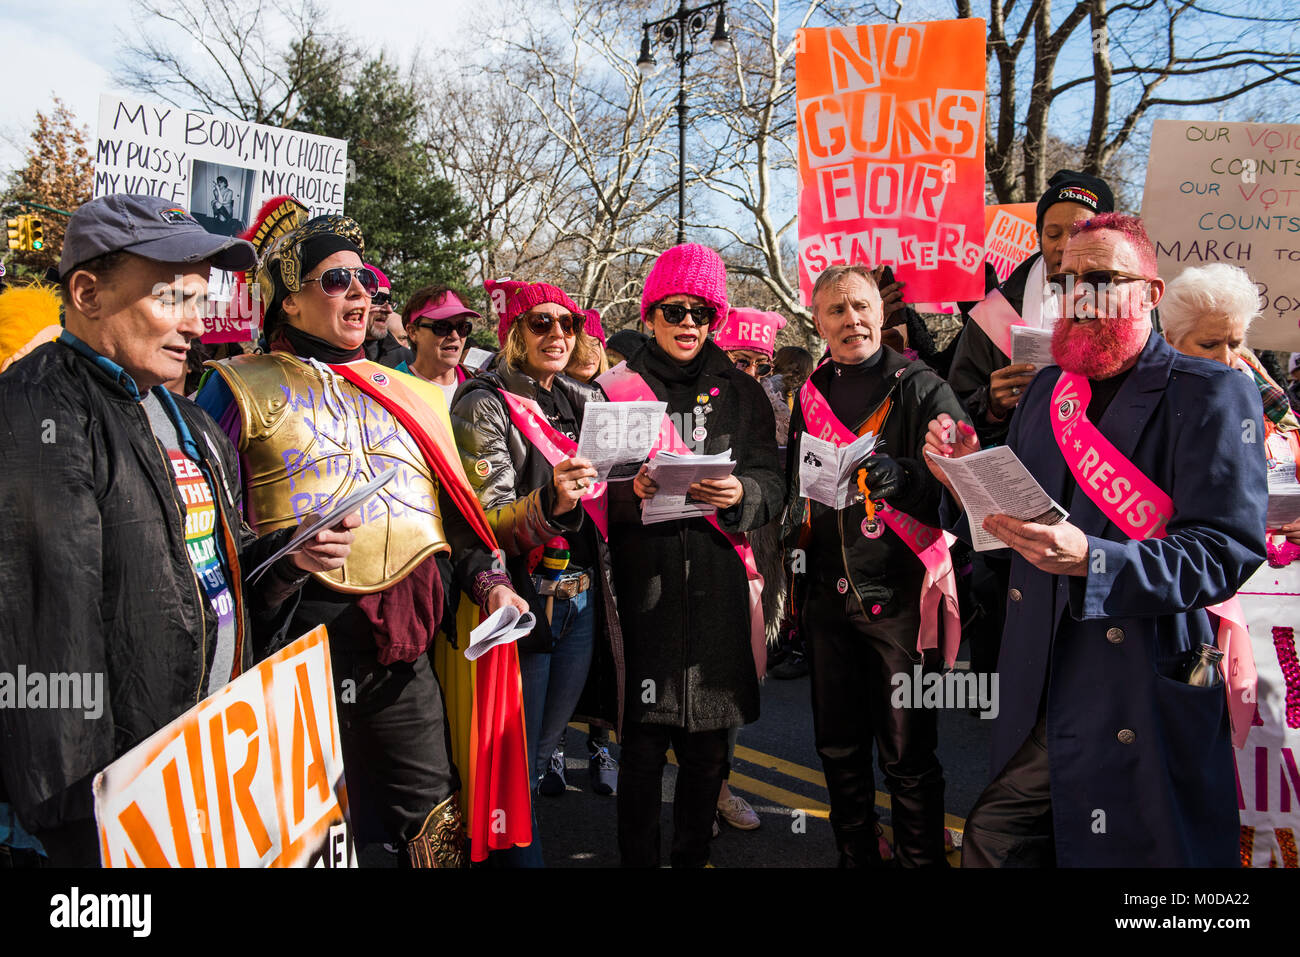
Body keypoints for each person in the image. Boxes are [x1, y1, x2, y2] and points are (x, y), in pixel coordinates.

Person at [0, 194, 358, 866]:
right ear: (87, 292)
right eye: (172, 297)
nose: (198, 322)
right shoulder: (36, 412)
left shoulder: (186, 419)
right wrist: (88, 831)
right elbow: (50, 646)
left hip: (202, 771)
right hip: (119, 811)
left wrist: (286, 561)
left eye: (201, 297)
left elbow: (211, 576)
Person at [925, 213, 1267, 866]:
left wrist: (1098, 559)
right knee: (1003, 841)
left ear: (1151, 294)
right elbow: (1010, 522)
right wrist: (966, 469)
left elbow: (1226, 550)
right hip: (1043, 672)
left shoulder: (1212, 391)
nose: (1080, 293)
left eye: (1102, 279)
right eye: (1067, 279)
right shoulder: (1049, 389)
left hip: (1137, 671)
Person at [196, 204, 532, 867]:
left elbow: (455, 518)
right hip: (295, 651)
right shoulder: (235, 387)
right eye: (335, 280)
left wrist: (490, 585)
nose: (360, 292)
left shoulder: (412, 394)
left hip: (399, 657)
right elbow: (205, 533)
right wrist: (282, 558)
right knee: (306, 832)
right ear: (288, 303)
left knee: (432, 823)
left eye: (365, 280)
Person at [600, 243, 783, 867]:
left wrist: (743, 493)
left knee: (709, 756)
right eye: (674, 310)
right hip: (643, 591)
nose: (688, 324)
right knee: (643, 754)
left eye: (702, 313)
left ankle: (691, 857)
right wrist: (632, 491)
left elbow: (773, 481)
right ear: (650, 314)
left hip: (716, 593)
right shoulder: (616, 389)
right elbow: (589, 488)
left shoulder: (742, 393)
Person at [782, 264, 967, 868]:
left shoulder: (922, 386)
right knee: (836, 746)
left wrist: (909, 477)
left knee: (908, 755)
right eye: (836, 311)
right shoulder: (809, 392)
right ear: (818, 322)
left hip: (902, 600)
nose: (851, 320)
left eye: (860, 307)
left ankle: (920, 861)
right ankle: (856, 854)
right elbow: (793, 489)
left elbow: (964, 481)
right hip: (827, 599)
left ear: (881, 314)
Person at [451, 280, 623, 851]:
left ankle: (516, 843)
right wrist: (553, 501)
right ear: (512, 333)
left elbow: (616, 489)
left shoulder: (585, 400)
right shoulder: (484, 401)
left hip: (582, 597)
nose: (557, 334)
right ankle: (504, 853)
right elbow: (488, 518)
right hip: (521, 602)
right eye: (540, 323)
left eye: (567, 324)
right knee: (511, 762)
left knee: (544, 750)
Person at [946, 170, 1116, 683]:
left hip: (1101, 496)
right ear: (1039, 235)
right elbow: (955, 406)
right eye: (1053, 232)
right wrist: (991, 403)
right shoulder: (996, 312)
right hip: (1016, 495)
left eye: (1081, 229)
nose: (1065, 245)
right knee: (1012, 634)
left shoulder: (1126, 301)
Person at [1161, 263, 1300, 546]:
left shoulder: (1263, 390)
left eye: (1235, 343)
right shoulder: (1149, 401)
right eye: (1209, 345)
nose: (1227, 359)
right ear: (1171, 340)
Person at [402, 284, 480, 405]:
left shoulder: (479, 389)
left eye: (462, 327)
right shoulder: (393, 388)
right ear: (413, 332)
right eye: (442, 327)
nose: (455, 336)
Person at [362, 263, 413, 368]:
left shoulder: (408, 360)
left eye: (389, 301)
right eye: (378, 299)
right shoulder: (330, 356)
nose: (389, 310)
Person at [565, 308, 610, 382]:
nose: (588, 353)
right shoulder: (543, 391)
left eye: (593, 344)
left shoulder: (616, 390)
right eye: (579, 346)